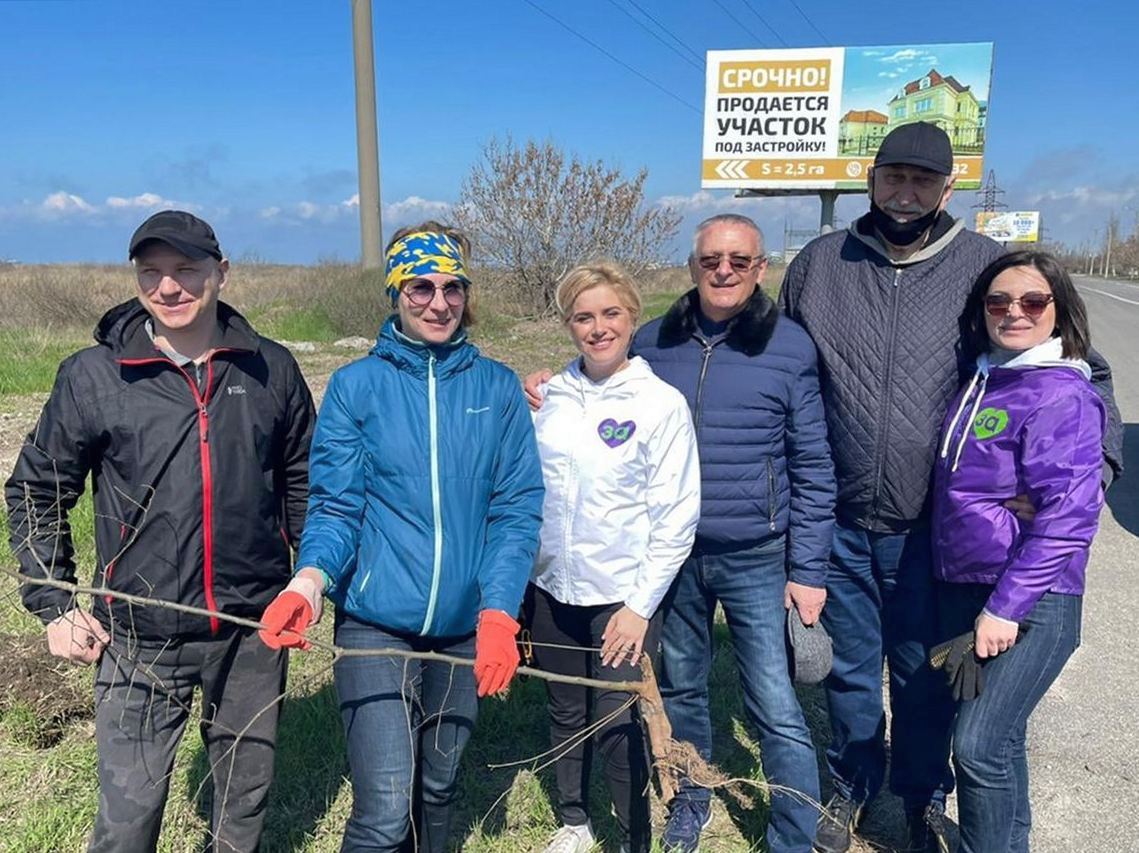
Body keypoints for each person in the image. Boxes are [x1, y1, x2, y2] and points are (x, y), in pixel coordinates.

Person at [779, 122, 1123, 853]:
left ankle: (921, 797)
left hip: (932, 528)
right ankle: (853, 782)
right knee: (846, 671)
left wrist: (1091, 470)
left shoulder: (982, 266)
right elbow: (773, 356)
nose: (904, 193)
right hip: (839, 519)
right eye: (892, 176)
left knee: (923, 674)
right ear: (869, 180)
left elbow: (1079, 367)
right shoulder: (818, 263)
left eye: (922, 181)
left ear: (947, 188)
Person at [5, 210, 316, 853]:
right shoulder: (94, 376)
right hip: (138, 635)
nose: (169, 288)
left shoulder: (270, 370)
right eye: (152, 273)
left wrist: (306, 581)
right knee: (127, 817)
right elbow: (37, 489)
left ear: (221, 274)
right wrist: (54, 604)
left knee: (242, 807)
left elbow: (305, 487)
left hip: (250, 632)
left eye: (186, 270)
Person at [527, 214, 836, 853]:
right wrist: (545, 384)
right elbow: (598, 368)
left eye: (739, 261)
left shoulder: (789, 346)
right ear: (692, 268)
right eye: (710, 260)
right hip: (671, 557)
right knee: (682, 689)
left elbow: (813, 462)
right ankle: (689, 802)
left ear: (760, 268)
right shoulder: (655, 337)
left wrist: (807, 569)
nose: (724, 271)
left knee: (773, 703)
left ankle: (794, 834)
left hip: (754, 551)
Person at [258, 222, 544, 853]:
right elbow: (336, 505)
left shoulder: (497, 388)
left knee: (439, 785)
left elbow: (516, 509)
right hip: (375, 622)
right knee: (386, 805)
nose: (438, 303)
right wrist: (308, 584)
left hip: (467, 623)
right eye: (420, 287)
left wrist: (498, 612)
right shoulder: (358, 386)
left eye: (452, 288)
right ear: (395, 294)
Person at [931, 251, 1104, 853]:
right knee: (1001, 743)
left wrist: (1006, 608)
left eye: (1033, 302)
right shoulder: (989, 375)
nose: (1014, 313)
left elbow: (1068, 517)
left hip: (1032, 597)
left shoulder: (1060, 394)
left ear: (1059, 311)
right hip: (975, 583)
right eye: (999, 301)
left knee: (976, 748)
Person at [526, 262, 700, 853]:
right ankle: (575, 820)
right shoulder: (548, 397)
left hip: (621, 597)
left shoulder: (660, 404)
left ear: (631, 317)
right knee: (566, 711)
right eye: (583, 317)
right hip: (552, 590)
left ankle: (634, 837)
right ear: (568, 324)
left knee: (619, 722)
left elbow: (677, 516)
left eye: (610, 314)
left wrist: (639, 606)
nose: (597, 328)